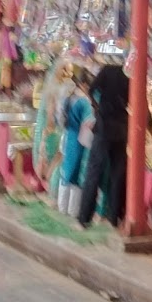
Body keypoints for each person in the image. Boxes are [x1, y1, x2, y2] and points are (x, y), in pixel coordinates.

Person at [77, 60, 131, 227]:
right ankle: (114, 217)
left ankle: (85, 217)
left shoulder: (107, 70)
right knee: (118, 174)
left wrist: (97, 108)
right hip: (122, 127)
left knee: (94, 172)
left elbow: (91, 90)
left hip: (104, 126)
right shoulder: (130, 75)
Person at [59, 69, 94, 216]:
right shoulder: (84, 102)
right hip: (80, 140)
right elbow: (89, 123)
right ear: (84, 84)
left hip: (68, 137)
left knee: (67, 170)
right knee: (77, 173)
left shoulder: (68, 98)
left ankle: (62, 206)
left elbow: (61, 119)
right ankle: (73, 210)